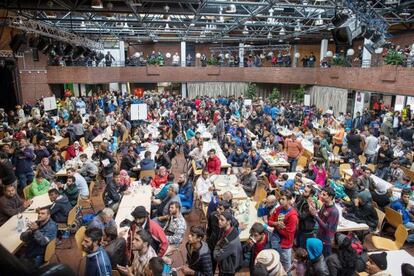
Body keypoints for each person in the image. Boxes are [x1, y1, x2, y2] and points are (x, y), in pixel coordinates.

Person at [268, 190, 298, 274]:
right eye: (280, 199)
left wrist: (276, 226)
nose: (280, 201)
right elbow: (269, 222)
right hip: (276, 240)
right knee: (277, 261)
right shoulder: (279, 208)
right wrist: (277, 224)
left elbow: (288, 234)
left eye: (283, 199)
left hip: (285, 245)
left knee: (287, 266)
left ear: (289, 200)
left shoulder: (293, 216)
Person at [309, 186, 339, 256]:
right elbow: (319, 215)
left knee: (324, 258)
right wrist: (314, 208)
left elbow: (327, 228)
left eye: (324, 195)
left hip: (326, 240)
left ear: (331, 197)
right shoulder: (324, 205)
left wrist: (315, 215)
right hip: (320, 235)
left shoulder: (334, 211)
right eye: (321, 194)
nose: (321, 196)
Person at [213, 210, 242, 276]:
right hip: (226, 263)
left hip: (228, 269)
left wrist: (218, 245)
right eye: (219, 219)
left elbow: (216, 257)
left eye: (222, 220)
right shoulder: (231, 230)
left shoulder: (230, 242)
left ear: (228, 222)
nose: (219, 221)